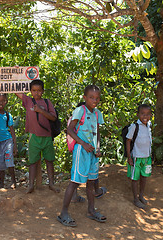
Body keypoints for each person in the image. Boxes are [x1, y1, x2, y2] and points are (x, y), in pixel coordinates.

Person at [57, 85, 105, 227]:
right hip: (81, 151)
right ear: (85, 98)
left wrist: (97, 148)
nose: (94, 100)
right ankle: (63, 213)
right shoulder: (80, 111)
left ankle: (91, 210)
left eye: (97, 98)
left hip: (92, 153)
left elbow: (97, 132)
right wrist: (83, 144)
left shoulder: (97, 114)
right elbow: (70, 130)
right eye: (91, 97)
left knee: (91, 181)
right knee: (75, 181)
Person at [15, 79, 59, 194]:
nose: (36, 93)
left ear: (43, 91)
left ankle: (51, 183)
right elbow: (16, 91)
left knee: (49, 161)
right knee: (33, 162)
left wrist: (41, 111)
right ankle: (30, 185)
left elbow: (53, 118)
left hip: (47, 137)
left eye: (39, 90)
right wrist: (17, 73)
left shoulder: (47, 102)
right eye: (34, 90)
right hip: (34, 137)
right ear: (30, 91)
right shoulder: (28, 101)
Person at [126, 104, 152, 209]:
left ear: (151, 115)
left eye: (147, 114)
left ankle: (141, 195)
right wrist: (129, 157)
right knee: (135, 178)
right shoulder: (134, 127)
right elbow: (128, 141)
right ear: (138, 114)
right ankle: (135, 199)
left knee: (144, 177)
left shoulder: (149, 125)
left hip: (147, 157)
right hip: (136, 157)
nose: (145, 116)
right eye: (142, 114)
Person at [0, 93, 18, 189]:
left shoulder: (8, 115)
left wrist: (15, 145)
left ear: (6, 101)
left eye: (3, 100)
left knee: (9, 161)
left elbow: (12, 130)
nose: (0, 103)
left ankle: (13, 181)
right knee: (0, 163)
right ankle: (1, 183)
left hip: (8, 141)